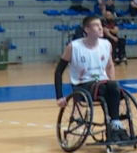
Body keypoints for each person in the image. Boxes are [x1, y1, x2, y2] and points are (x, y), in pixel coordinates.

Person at [54, 14, 129, 143]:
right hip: (82, 84)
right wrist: (59, 96)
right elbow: (59, 71)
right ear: (87, 30)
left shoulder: (106, 44)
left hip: (102, 82)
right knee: (105, 89)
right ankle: (113, 125)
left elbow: (110, 66)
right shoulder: (74, 47)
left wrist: (112, 83)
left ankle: (115, 124)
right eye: (96, 25)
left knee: (114, 87)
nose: (100, 28)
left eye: (101, 25)